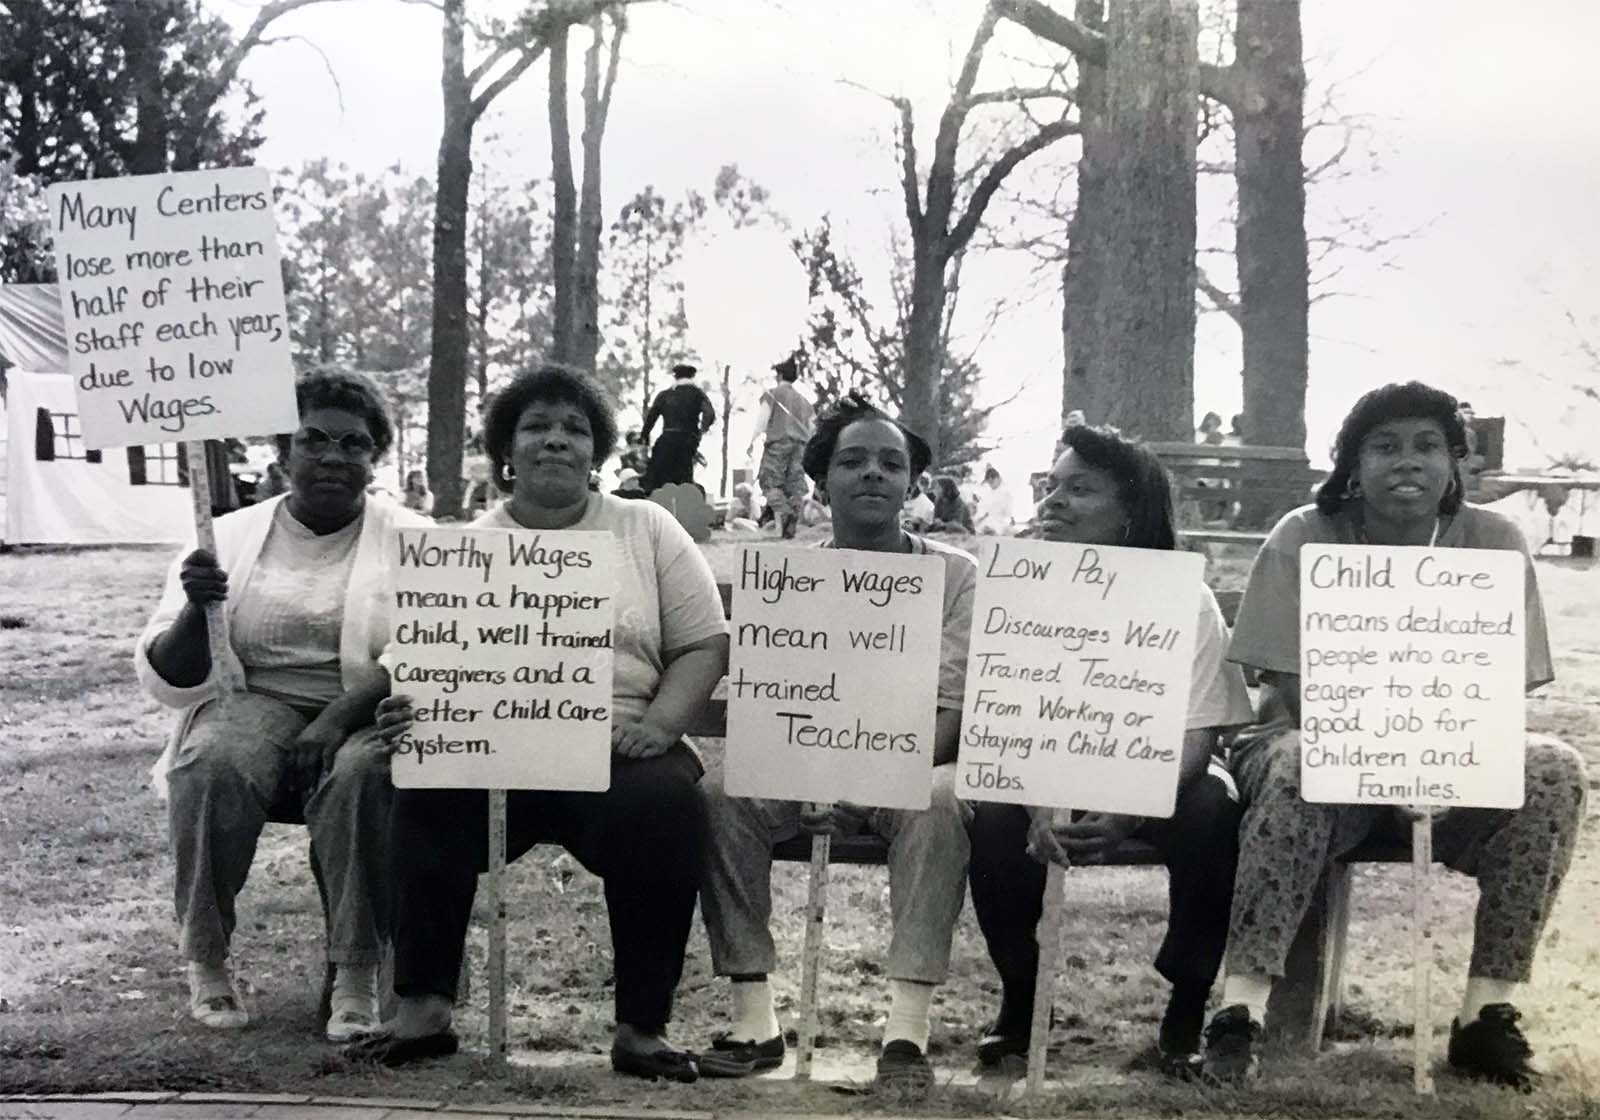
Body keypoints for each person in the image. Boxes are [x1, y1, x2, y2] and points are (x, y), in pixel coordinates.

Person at [1200, 381, 1588, 1089]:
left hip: (1446, 753)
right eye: (1383, 447)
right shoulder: (1302, 535)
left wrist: (1441, 764)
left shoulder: (1496, 541)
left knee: (1555, 768)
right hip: (1308, 743)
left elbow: (1503, 688)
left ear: (1455, 463)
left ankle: (1486, 1016)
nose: (1406, 462)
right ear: (1351, 463)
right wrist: (1389, 759)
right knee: (1295, 763)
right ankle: (1239, 1015)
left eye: (1426, 446)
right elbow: (1287, 688)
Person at [352, 364, 730, 1082]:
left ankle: (641, 1026)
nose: (556, 440)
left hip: (620, 743)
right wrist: (411, 705)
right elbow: (416, 659)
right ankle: (424, 1007)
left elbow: (704, 642)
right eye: (536, 426)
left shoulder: (644, 526)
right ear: (506, 449)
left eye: (575, 428)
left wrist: (660, 723)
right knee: (423, 785)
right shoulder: (463, 544)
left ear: (597, 452)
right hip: (496, 744)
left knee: (665, 802)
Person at [135, 370, 428, 1041]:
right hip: (253, 698)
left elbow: (425, 646)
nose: (332, 457)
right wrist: (194, 604)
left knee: (361, 775)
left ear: (374, 459)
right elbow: (169, 671)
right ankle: (206, 961)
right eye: (314, 440)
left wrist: (335, 719)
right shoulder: (224, 536)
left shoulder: (414, 537)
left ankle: (355, 973)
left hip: (362, 707)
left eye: (353, 445)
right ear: (283, 453)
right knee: (209, 763)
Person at [698, 392, 977, 1090]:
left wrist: (862, 782)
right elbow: (770, 704)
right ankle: (753, 1020)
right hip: (803, 763)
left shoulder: (956, 575)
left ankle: (907, 1036)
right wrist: (818, 772)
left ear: (913, 481)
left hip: (915, 767)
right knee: (718, 791)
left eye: (891, 462)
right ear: (823, 479)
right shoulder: (789, 574)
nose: (873, 474)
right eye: (853, 461)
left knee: (944, 804)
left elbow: (950, 706)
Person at [967, 425, 1255, 1077]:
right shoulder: (1020, 592)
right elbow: (1006, 721)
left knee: (1214, 808)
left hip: (1159, 775)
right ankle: (1020, 994)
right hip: (1041, 769)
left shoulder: (1187, 599)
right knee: (992, 815)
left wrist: (1126, 811)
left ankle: (1186, 1004)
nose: (1053, 501)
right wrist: (1042, 805)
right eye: (1051, 486)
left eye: (1080, 489)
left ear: (1129, 514)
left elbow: (1198, 730)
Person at [749, 352, 816, 539]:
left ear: (779, 376)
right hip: (800, 446)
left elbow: (762, 420)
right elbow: (812, 428)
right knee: (795, 485)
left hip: (778, 443)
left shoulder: (772, 394)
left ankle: (785, 512)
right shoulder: (805, 401)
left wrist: (751, 441)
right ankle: (792, 518)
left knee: (769, 482)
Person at [642, 362, 716, 492]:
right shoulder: (698, 394)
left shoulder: (664, 395)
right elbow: (709, 414)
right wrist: (700, 432)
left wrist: (644, 437)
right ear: (693, 377)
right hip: (687, 441)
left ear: (675, 377)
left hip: (666, 439)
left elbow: (651, 418)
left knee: (657, 478)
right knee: (684, 479)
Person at [972, 465, 1015, 536]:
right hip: (985, 523)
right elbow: (982, 509)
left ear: (998, 478)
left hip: (1000, 523)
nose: (990, 485)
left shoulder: (1006, 493)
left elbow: (1008, 514)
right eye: (989, 482)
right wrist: (980, 518)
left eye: (992, 482)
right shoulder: (987, 493)